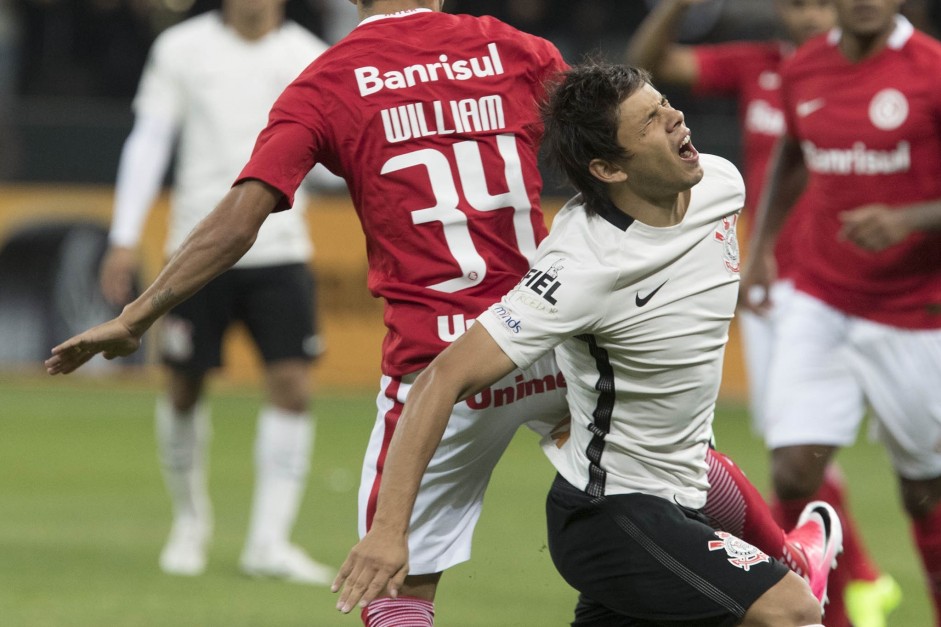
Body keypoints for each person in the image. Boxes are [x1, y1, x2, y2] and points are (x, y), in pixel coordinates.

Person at [47, 1, 572, 624]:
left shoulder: (326, 74)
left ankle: (264, 538)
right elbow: (615, 133)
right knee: (679, 485)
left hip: (438, 365)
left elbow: (242, 217)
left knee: (392, 584)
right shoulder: (518, 49)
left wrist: (135, 317)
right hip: (549, 334)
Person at [333, 62, 843, 626]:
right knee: (792, 611)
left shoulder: (721, 183)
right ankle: (794, 564)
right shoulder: (579, 267)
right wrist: (388, 531)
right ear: (607, 167)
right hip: (613, 515)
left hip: (683, 500)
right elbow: (441, 378)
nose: (675, 117)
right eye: (649, 120)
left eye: (665, 102)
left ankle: (793, 555)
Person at [626, 3, 902, 625]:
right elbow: (646, 70)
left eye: (823, 3)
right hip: (773, 282)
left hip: (859, 284)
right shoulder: (761, 67)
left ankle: (850, 577)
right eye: (799, 3)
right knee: (794, 449)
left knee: (879, 452)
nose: (812, 15)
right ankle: (853, 582)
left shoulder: (884, 76)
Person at [96, 0, 336, 584]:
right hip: (196, 249)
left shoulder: (310, 56)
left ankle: (268, 542)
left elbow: (335, 159)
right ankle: (189, 522)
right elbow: (150, 139)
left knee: (292, 386)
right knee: (183, 386)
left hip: (281, 248)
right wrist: (125, 235)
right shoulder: (181, 48)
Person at [741, 0, 941, 624]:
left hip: (914, 310)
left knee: (923, 492)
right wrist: (763, 247)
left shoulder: (932, 70)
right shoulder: (804, 69)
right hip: (821, 297)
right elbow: (794, 156)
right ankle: (819, 618)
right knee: (794, 470)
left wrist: (910, 218)